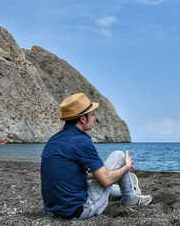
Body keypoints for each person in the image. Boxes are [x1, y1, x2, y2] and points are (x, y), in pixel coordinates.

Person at [41, 92, 151, 220]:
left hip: (57, 210)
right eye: (92, 114)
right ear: (83, 119)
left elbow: (69, 174)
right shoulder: (81, 141)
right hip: (80, 209)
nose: (94, 118)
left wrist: (97, 174)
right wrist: (126, 167)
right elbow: (105, 181)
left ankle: (128, 190)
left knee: (94, 178)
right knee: (119, 156)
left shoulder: (54, 140)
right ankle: (130, 198)